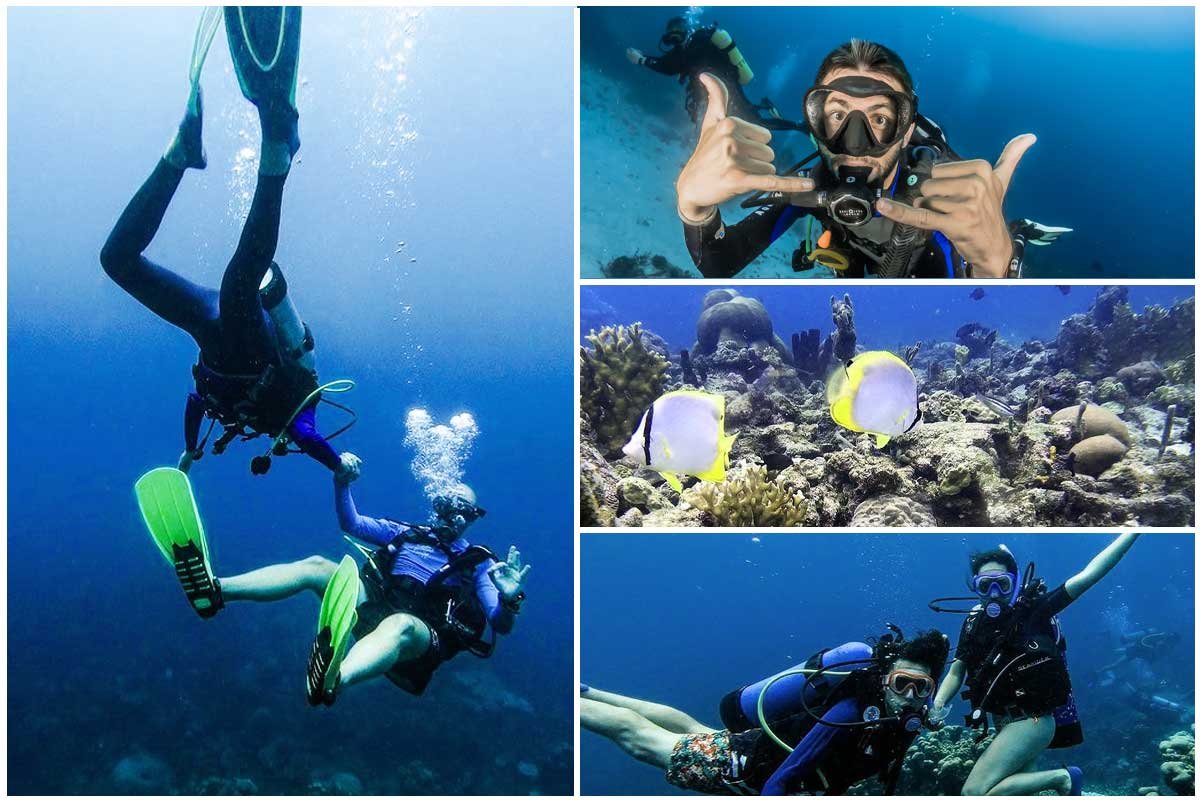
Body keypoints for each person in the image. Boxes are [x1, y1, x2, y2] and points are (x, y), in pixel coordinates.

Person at [100, 7, 356, 478]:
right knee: (239, 284)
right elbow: (307, 436)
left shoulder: (235, 412)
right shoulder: (295, 415)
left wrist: (189, 451)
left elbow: (196, 401)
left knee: (117, 261)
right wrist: (338, 466)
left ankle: (180, 155)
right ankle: (278, 150)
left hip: (208, 326)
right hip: (248, 340)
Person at [133, 465, 530, 705]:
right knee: (317, 566)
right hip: (377, 606)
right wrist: (342, 483)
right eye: (448, 505)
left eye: (466, 511)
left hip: (423, 636)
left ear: (473, 518)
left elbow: (500, 622)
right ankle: (215, 590)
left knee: (401, 626)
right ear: (437, 505)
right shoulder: (406, 532)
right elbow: (351, 523)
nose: (455, 516)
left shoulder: (480, 562)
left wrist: (509, 599)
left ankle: (337, 678)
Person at [674, 38, 1071, 278]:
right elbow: (718, 263)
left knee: (996, 238)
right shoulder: (809, 185)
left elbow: (975, 307)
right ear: (815, 123)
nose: (855, 143)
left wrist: (997, 266)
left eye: (879, 119)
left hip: (915, 266)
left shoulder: (934, 200)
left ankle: (1017, 232)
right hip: (857, 264)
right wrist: (694, 209)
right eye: (837, 116)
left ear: (906, 130)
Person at [582, 627, 949, 795]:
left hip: (754, 747)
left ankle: (590, 691)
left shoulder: (906, 720)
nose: (910, 696)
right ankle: (578, 701)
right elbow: (781, 779)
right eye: (902, 683)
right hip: (741, 767)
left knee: (691, 729)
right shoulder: (848, 713)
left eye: (922, 688)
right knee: (640, 738)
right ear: (884, 681)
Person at [929, 534, 1140, 795]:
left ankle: (1063, 778)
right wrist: (938, 705)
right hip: (1002, 721)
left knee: (973, 793)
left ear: (1014, 583)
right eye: (985, 586)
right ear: (975, 587)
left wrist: (1134, 531)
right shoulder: (973, 622)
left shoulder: (1034, 611)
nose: (994, 593)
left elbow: (1088, 575)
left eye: (1002, 584)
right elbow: (957, 670)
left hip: (1033, 720)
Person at [626, 16, 804, 132]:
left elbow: (669, 66)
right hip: (717, 92)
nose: (675, 33)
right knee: (736, 124)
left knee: (753, 123)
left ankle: (798, 126)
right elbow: (670, 63)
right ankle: (769, 110)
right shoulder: (687, 49)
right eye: (671, 30)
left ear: (686, 28)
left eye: (678, 28)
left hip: (726, 90)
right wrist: (644, 58)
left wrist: (642, 60)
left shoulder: (698, 42)